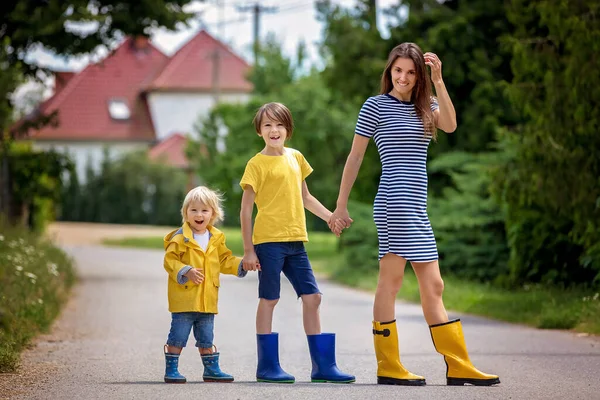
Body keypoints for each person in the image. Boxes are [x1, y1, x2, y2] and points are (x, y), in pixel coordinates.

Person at [329, 43, 500, 386]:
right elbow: (356, 157)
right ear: (389, 71)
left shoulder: (427, 106)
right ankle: (391, 365)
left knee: (432, 284)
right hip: (394, 203)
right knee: (391, 283)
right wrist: (341, 204)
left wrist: (438, 79)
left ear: (418, 75)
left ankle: (457, 364)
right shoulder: (375, 106)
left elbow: (450, 125)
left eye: (410, 72)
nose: (403, 77)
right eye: (398, 70)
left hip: (416, 206)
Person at [239, 102, 354, 384]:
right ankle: (266, 366)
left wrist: (330, 217)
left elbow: (306, 197)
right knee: (270, 299)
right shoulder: (256, 164)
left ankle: (322, 367)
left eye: (279, 124)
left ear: (288, 130)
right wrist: (248, 250)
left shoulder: (296, 158)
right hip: (268, 243)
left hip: (296, 242)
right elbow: (245, 210)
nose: (273, 130)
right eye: (267, 125)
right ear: (259, 131)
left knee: (313, 297)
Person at [162, 186, 247, 383]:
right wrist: (186, 271)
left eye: (204, 210)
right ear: (186, 213)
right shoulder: (180, 238)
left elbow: (224, 260)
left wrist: (241, 264)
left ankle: (211, 369)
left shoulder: (216, 238)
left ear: (213, 214)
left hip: (208, 300)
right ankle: (171, 369)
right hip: (185, 300)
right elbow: (170, 261)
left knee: (206, 338)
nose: (199, 214)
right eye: (193, 210)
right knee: (178, 337)